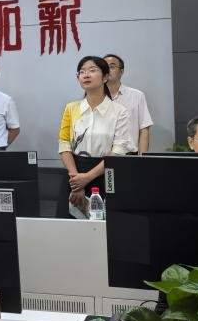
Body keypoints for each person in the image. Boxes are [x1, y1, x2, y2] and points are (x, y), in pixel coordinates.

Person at [58, 55, 134, 207]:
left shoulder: (119, 112)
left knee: (106, 219)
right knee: (70, 219)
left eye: (92, 70)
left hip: (105, 173)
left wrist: (86, 178)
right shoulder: (71, 108)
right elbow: (64, 144)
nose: (86, 75)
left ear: (105, 77)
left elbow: (118, 151)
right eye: (82, 72)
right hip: (74, 175)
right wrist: (77, 181)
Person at [103, 53, 153, 153]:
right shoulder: (95, 97)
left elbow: (144, 129)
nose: (107, 70)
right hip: (100, 156)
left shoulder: (137, 95)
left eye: (111, 67)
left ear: (121, 71)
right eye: (103, 67)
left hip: (128, 155)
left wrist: (142, 158)